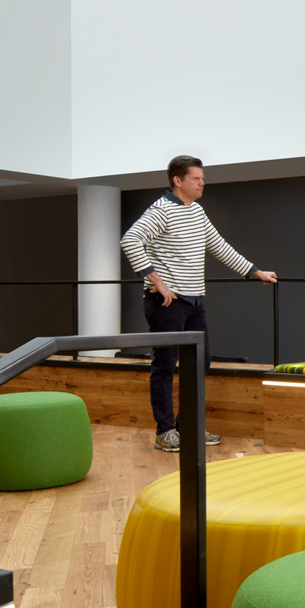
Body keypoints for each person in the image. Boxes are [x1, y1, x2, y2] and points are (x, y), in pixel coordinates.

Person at [120, 155, 276, 452]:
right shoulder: (161, 211)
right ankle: (164, 431)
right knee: (164, 365)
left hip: (195, 301)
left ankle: (187, 426)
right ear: (178, 180)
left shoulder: (198, 211)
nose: (202, 183)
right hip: (165, 302)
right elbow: (130, 240)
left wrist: (255, 272)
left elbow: (218, 245)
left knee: (199, 365)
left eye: (202, 178)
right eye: (196, 178)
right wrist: (159, 282)